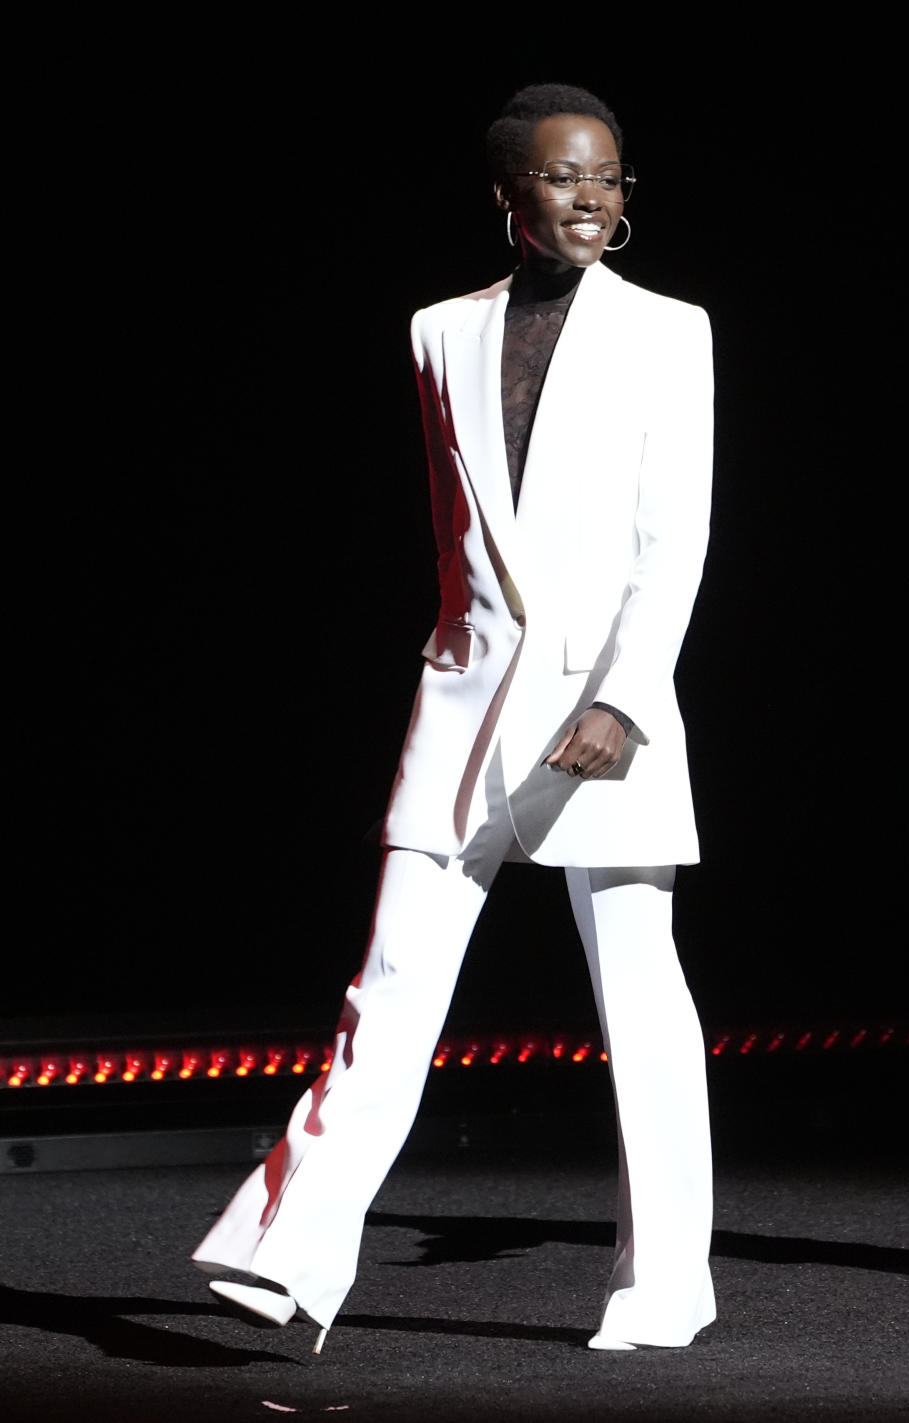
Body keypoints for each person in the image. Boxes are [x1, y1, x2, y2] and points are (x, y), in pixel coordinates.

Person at [193, 82, 716, 1354]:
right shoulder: (439, 330)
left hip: (607, 717)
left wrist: (627, 699)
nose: (593, 195)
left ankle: (664, 1288)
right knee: (388, 987)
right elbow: (459, 543)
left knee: (641, 1003)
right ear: (508, 194)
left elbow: (677, 538)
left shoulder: (670, 332)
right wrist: (456, 663)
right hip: (468, 703)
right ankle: (289, 1248)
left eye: (610, 177)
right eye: (564, 177)